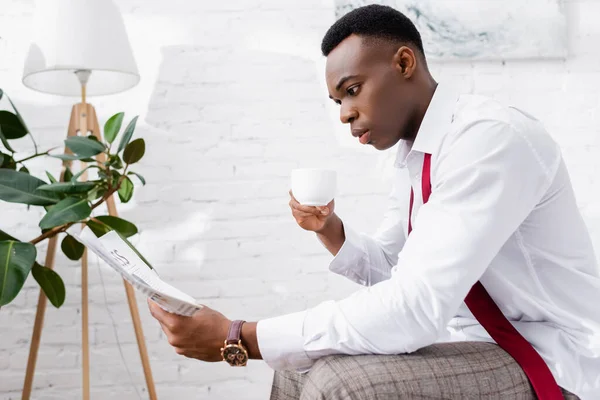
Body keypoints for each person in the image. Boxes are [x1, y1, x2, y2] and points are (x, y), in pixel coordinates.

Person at [148, 4, 600, 399]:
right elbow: (395, 271)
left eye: (352, 89)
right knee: (298, 369)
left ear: (404, 62)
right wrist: (331, 231)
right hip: (479, 343)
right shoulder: (413, 157)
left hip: (550, 356)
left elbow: (413, 307)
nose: (343, 112)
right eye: (337, 100)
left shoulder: (489, 141)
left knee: (339, 384)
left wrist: (240, 336)